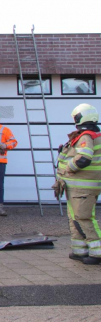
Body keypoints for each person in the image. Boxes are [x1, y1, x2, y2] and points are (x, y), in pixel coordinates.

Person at [53, 103, 101, 265]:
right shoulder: (89, 135)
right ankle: (80, 250)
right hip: (77, 187)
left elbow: (84, 158)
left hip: (83, 187)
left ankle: (97, 252)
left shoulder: (87, 136)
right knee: (75, 218)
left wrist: (68, 169)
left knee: (84, 217)